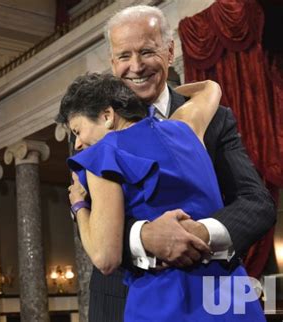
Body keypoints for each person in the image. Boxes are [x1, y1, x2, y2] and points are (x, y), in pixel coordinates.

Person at [79, 5, 275, 321]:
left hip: (217, 296)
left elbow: (257, 204)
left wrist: (199, 234)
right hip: (122, 300)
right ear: (112, 63)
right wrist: (145, 238)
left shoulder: (214, 118)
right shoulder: (92, 128)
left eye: (146, 51)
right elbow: (90, 221)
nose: (136, 66)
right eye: (124, 56)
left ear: (170, 52)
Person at [57, 72, 265, 321]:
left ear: (107, 116)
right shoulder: (186, 127)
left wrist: (79, 205)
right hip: (231, 294)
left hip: (164, 300)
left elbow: (105, 258)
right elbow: (211, 90)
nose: (78, 144)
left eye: (78, 130)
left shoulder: (102, 155)